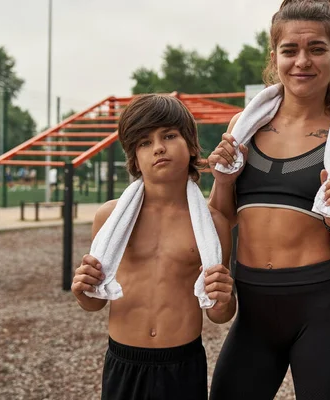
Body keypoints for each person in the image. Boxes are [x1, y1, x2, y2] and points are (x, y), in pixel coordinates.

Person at [207, 0, 330, 399]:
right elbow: (222, 212)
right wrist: (222, 181)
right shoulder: (243, 127)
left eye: (317, 49)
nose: (302, 61)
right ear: (275, 57)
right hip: (252, 311)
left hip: (323, 311)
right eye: (290, 50)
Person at [71, 94, 236, 400]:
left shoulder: (213, 224)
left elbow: (219, 313)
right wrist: (82, 292)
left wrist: (226, 299)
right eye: (145, 142)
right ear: (134, 157)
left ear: (190, 145)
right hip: (124, 361)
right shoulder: (109, 218)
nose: (158, 147)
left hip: (182, 364)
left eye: (169, 136)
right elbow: (95, 302)